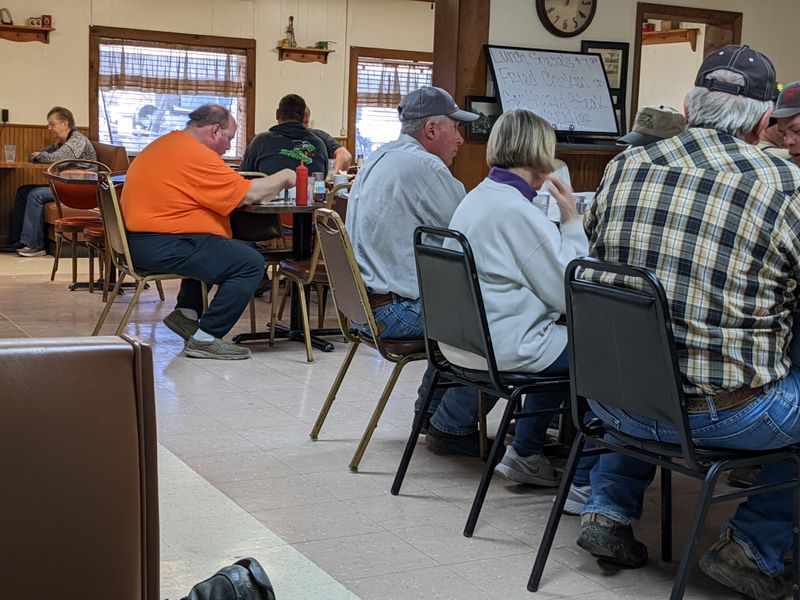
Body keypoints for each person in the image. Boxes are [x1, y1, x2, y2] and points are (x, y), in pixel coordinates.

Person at [576, 45, 800, 600]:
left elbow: (597, 254)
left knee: (647, 341)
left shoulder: (624, 166)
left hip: (613, 399)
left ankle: (607, 508)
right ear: (766, 120)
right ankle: (753, 546)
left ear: (688, 103)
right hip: (725, 419)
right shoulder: (784, 185)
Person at [345, 85, 494, 457]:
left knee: (459, 309)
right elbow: (469, 230)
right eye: (455, 129)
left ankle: (431, 414)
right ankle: (451, 424)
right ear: (431, 130)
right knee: (498, 322)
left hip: (363, 306)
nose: (460, 139)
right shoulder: (424, 166)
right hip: (394, 312)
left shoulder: (380, 156)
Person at [443, 107, 589, 485]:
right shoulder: (517, 211)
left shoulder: (480, 195)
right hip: (506, 346)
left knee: (562, 341)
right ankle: (574, 472)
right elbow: (565, 294)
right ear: (541, 156)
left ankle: (529, 447)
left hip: (464, 341)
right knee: (599, 350)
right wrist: (571, 218)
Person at [121, 104, 295, 360]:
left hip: (143, 241)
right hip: (161, 244)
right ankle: (207, 338)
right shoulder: (194, 155)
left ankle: (187, 314)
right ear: (215, 130)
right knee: (249, 262)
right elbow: (251, 193)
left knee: (218, 246)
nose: (227, 147)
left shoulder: (168, 144)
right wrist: (285, 176)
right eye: (229, 139)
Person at [10, 106, 96, 257]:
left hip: (82, 188)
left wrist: (39, 156)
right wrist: (36, 155)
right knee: (24, 191)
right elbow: (45, 153)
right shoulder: (63, 142)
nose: (49, 128)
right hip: (68, 185)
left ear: (65, 124)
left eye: (52, 124)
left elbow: (57, 159)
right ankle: (19, 241)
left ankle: (35, 245)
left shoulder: (77, 140)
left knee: (36, 195)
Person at [240, 94, 328, 177]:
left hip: (270, 193)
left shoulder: (260, 142)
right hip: (308, 192)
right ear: (303, 117)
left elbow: (244, 175)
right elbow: (323, 177)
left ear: (277, 114)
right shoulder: (319, 145)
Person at [303, 107, 352, 174]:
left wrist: (334, 177)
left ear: (307, 122)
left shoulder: (319, 136)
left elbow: (345, 156)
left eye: (304, 123)